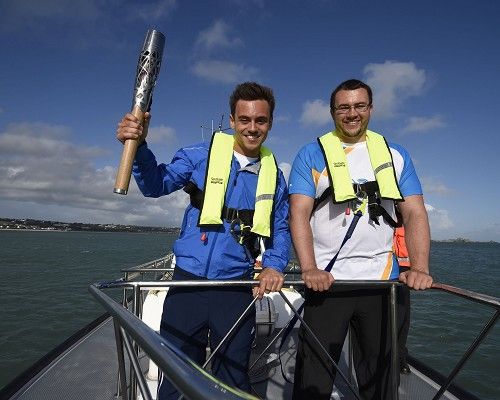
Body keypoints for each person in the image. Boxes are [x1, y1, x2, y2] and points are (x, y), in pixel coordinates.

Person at [116, 81, 291, 399]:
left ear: (270, 122)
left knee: (233, 375)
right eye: (245, 119)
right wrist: (139, 145)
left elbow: (280, 229)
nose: (252, 128)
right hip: (188, 286)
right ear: (233, 119)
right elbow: (157, 184)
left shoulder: (275, 175)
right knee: (176, 372)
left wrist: (274, 265)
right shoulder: (199, 156)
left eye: (260, 120)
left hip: (235, 289)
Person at [288, 79, 433, 400]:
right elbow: (298, 214)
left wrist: (420, 266)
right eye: (344, 107)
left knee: (380, 381)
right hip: (326, 284)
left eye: (359, 106)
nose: (352, 113)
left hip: (381, 286)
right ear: (332, 112)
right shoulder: (311, 154)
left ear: (370, 108)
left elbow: (415, 214)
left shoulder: (396, 155)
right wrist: (309, 268)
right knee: (313, 378)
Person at [394, 225, 411, 374]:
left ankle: (400, 359)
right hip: (387, 268)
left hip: (405, 269)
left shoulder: (409, 220)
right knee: (395, 317)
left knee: (403, 318)